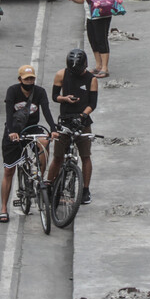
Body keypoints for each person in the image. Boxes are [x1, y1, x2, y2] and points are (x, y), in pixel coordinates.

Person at [0, 65, 55, 223]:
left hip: (32, 128)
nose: (30, 82)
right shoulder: (12, 91)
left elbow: (47, 111)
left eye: (32, 79)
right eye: (26, 79)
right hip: (14, 129)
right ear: (20, 80)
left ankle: (39, 177)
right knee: (9, 170)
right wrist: (11, 131)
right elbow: (9, 112)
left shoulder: (40, 92)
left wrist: (53, 129)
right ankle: (3, 208)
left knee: (45, 141)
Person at [46, 50, 99, 205]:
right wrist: (65, 99)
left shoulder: (91, 79)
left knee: (85, 156)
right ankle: (49, 185)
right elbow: (55, 97)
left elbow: (92, 104)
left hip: (82, 122)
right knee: (57, 157)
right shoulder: (61, 75)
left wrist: (82, 116)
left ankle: (85, 189)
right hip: (65, 121)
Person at [65, 0, 116, 77]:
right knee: (93, 40)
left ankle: (105, 67)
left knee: (101, 40)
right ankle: (98, 65)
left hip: (101, 16)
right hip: (90, 16)